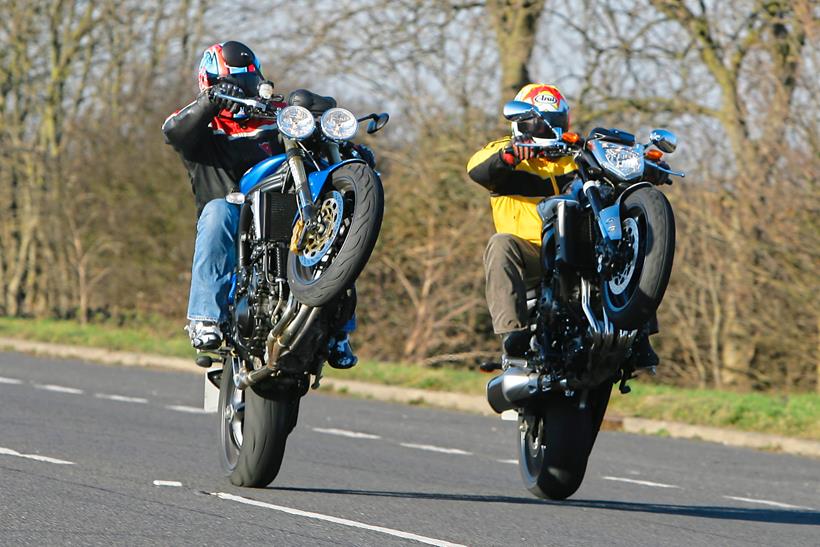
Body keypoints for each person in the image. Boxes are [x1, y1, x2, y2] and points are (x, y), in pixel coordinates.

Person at [162, 41, 358, 368]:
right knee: (217, 211)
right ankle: (204, 318)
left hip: (286, 217)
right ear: (209, 82)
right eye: (231, 83)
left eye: (248, 81)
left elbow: (318, 152)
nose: (242, 89)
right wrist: (212, 100)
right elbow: (173, 130)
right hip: (233, 220)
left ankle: (339, 331)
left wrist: (350, 151)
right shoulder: (201, 129)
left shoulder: (276, 121)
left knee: (336, 227)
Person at [466, 83, 659, 367]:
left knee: (633, 238)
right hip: (532, 254)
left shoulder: (577, 156)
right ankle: (512, 334)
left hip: (583, 248)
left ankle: (640, 335)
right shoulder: (503, 151)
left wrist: (645, 166)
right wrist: (510, 156)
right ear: (522, 123)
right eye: (540, 122)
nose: (548, 129)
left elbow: (617, 171)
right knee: (500, 243)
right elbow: (477, 169)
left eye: (555, 121)